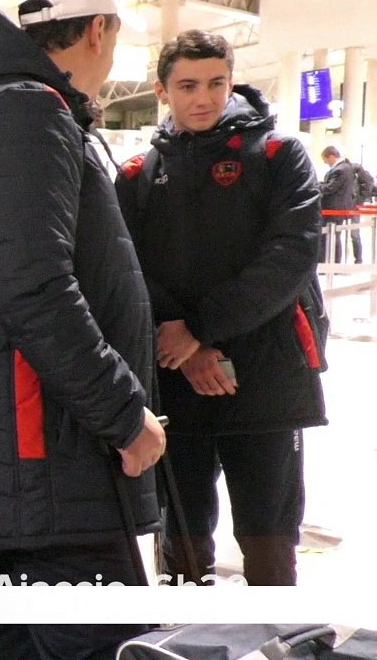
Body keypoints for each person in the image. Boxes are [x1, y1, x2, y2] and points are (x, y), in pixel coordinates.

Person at [0, 0, 166, 659]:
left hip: (29, 457)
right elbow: (33, 289)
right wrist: (124, 415)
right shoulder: (27, 111)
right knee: (103, 645)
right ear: (98, 30)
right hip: (47, 463)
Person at [116, 29, 327, 587]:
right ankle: (189, 637)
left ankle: (280, 636)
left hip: (264, 378)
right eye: (187, 86)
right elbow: (126, 267)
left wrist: (203, 332)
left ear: (231, 82)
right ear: (163, 91)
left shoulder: (280, 156)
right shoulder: (137, 174)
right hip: (175, 379)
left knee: (269, 538)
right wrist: (181, 344)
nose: (202, 97)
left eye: (215, 83)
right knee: (181, 539)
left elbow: (291, 257)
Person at [319, 145, 362, 263]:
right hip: (338, 207)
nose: (325, 162)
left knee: (331, 237)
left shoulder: (340, 169)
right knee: (334, 237)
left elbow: (331, 188)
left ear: (331, 156)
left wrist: (317, 186)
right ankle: (332, 262)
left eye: (325, 159)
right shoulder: (345, 168)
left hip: (334, 208)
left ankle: (332, 263)